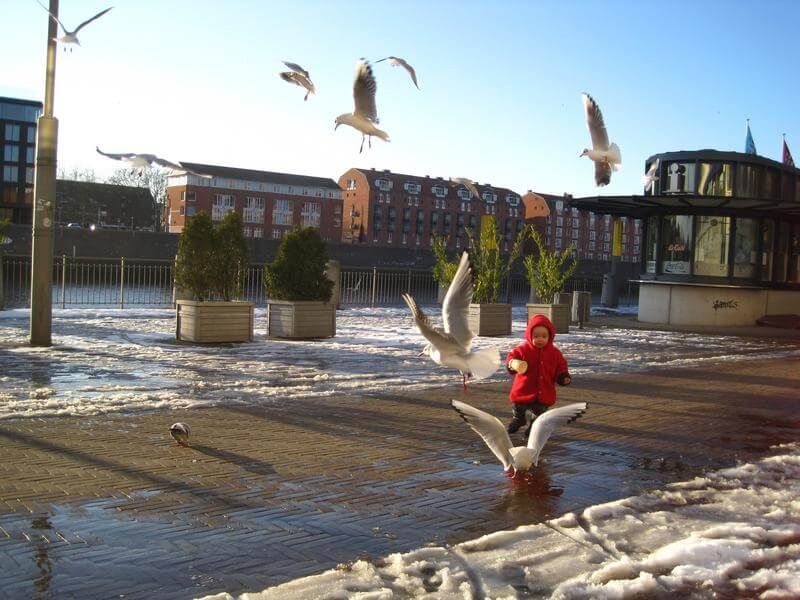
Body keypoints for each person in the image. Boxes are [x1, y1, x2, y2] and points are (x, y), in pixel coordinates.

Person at [506, 314, 572, 435]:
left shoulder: (555, 353)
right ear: (529, 336)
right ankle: (519, 419)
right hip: (524, 389)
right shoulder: (523, 349)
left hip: (544, 391)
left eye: (544, 336)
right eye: (536, 336)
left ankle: (533, 428)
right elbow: (511, 357)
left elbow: (561, 367)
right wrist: (513, 364)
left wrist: (563, 376)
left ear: (550, 337)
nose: (540, 339)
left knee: (539, 412)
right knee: (519, 406)